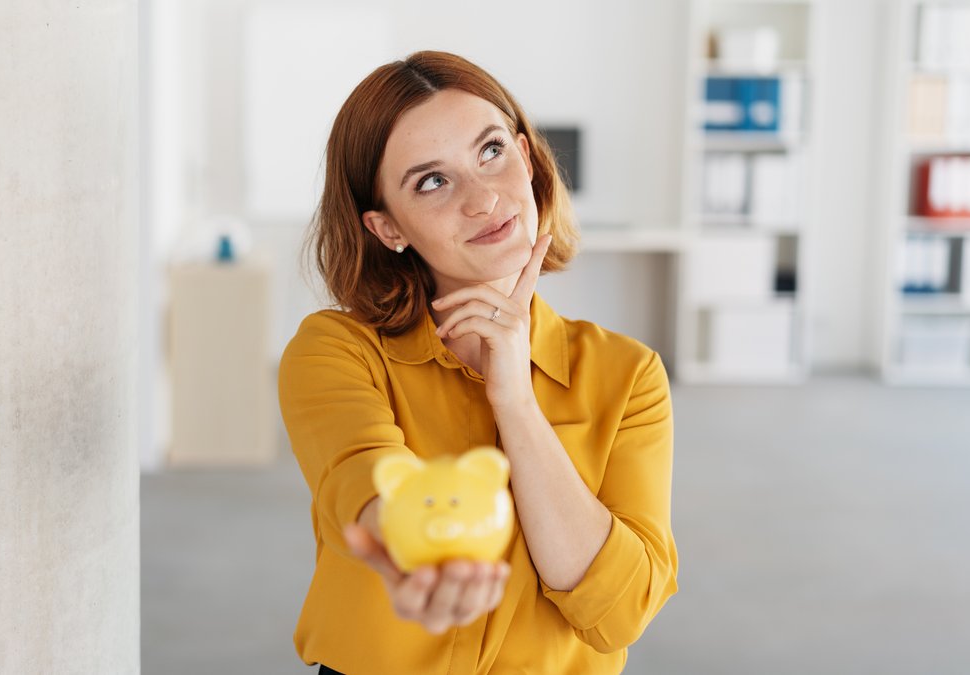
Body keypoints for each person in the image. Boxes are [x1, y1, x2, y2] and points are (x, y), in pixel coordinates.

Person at [278, 50, 678, 675]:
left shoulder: (629, 376)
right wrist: (418, 555)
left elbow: (620, 612)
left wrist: (516, 401)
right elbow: (364, 477)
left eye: (491, 151)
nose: (483, 198)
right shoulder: (336, 350)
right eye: (431, 181)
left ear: (526, 156)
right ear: (388, 229)